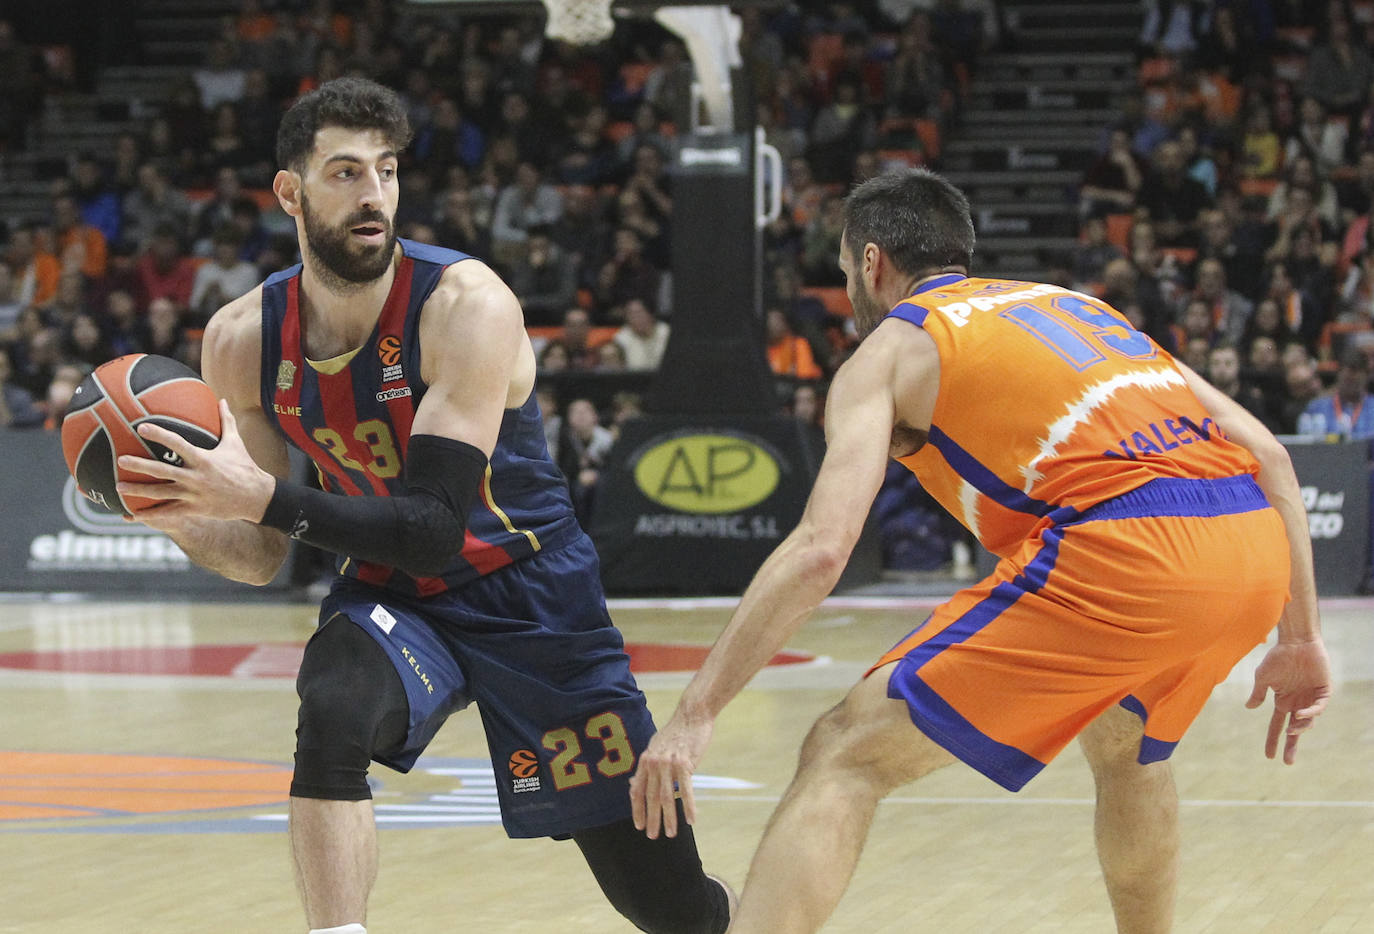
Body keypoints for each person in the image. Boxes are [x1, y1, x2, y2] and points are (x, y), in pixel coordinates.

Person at [629, 168, 1330, 933]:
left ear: (870, 264)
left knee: (844, 747)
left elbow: (822, 551)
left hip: (1127, 551)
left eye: (843, 271)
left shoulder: (888, 352)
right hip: (1250, 546)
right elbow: (1271, 458)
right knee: (1127, 746)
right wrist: (1300, 638)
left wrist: (696, 714)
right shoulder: (1083, 309)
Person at [115, 77, 732, 934]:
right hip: (396, 595)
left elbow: (436, 529)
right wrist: (182, 513)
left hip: (533, 599)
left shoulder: (465, 308)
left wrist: (258, 496)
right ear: (290, 193)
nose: (373, 196)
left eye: (387, 170)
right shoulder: (241, 340)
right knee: (331, 708)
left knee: (669, 908)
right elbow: (256, 554)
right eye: (344, 173)